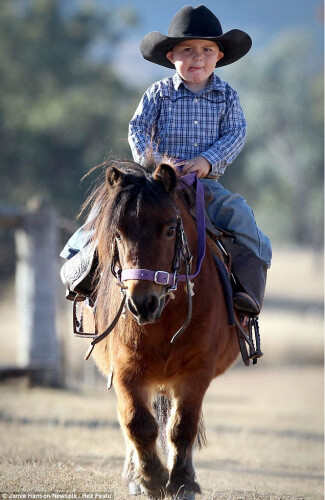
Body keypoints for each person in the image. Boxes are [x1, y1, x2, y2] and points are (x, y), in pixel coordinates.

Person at [128, 4, 272, 316]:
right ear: (171, 57)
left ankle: (247, 290)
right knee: (113, 208)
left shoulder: (227, 95)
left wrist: (207, 160)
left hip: (205, 184)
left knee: (241, 216)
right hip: (159, 186)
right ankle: (81, 265)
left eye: (207, 49)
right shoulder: (158, 93)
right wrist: (151, 163)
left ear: (219, 56)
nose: (198, 57)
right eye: (188, 49)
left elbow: (236, 132)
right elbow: (137, 127)